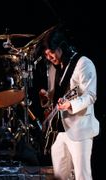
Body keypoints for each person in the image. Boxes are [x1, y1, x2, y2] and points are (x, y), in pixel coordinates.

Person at [38, 25, 99, 180]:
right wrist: (47, 97)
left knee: (82, 175)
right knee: (59, 175)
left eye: (51, 53)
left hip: (80, 128)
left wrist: (70, 104)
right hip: (58, 131)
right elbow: (55, 95)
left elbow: (90, 95)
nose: (49, 57)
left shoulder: (83, 63)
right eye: (46, 54)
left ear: (61, 47)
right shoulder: (53, 68)